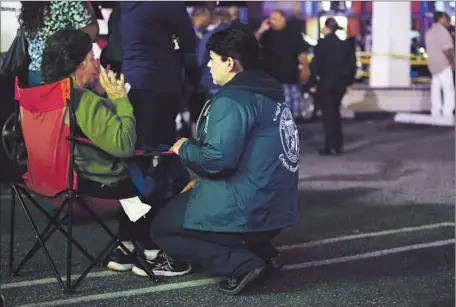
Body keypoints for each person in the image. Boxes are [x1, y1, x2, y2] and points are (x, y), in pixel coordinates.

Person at [151, 27, 300, 295]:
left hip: (248, 211)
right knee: (192, 201)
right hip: (276, 211)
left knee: (162, 227)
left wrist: (184, 147)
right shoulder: (272, 95)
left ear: (230, 63)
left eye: (212, 58)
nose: (208, 65)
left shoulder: (233, 99)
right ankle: (265, 252)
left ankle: (241, 264)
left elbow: (216, 161)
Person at [40, 28, 191, 277]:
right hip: (94, 185)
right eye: (92, 57)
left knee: (138, 178)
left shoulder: (51, 94)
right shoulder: (84, 101)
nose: (97, 62)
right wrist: (120, 99)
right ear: (77, 65)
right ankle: (152, 254)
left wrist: (101, 96)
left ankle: (125, 248)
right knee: (154, 175)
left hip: (49, 183)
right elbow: (123, 146)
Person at [119, 2, 197, 150]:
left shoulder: (126, 5)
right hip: (160, 80)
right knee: (159, 147)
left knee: (135, 144)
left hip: (130, 80)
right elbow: (189, 40)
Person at [307, 18, 357, 156]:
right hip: (340, 84)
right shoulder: (345, 45)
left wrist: (311, 83)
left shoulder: (322, 44)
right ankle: (338, 145)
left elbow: (315, 65)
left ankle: (330, 146)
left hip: (326, 83)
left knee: (328, 115)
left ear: (327, 28)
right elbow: (352, 64)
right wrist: (349, 81)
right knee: (335, 112)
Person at [18, 1, 99, 86]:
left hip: (35, 72)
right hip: (61, 74)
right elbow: (92, 33)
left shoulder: (32, 4)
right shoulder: (67, 2)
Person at [255, 9, 310, 121]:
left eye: (275, 19)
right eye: (270, 19)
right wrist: (261, 30)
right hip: (270, 80)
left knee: (288, 115)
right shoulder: (266, 34)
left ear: (283, 19)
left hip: (289, 79)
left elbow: (302, 55)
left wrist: (305, 71)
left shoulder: (293, 34)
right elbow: (251, 44)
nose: (272, 21)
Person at [424, 11, 455, 118]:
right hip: (443, 64)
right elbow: (447, 50)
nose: (448, 22)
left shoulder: (429, 32)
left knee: (435, 89)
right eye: (447, 19)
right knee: (448, 88)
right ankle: (447, 113)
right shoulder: (443, 32)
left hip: (433, 65)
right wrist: (452, 62)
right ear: (441, 18)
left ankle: (435, 112)